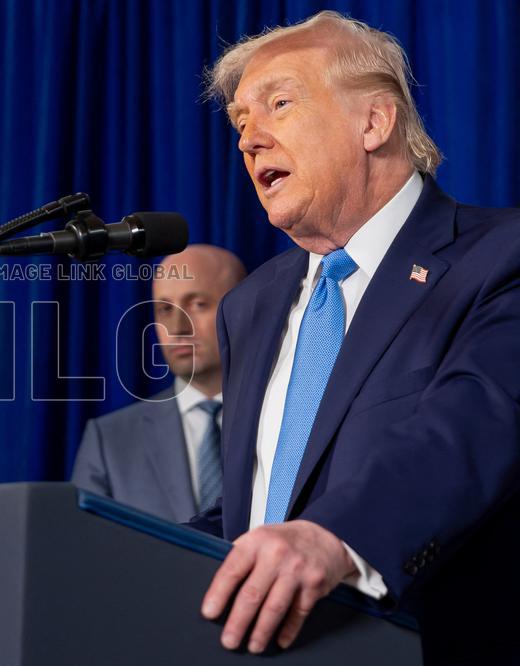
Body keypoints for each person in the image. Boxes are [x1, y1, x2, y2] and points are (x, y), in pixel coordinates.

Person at [193, 10, 520, 661]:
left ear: (374, 122)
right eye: (239, 122)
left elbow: (473, 425)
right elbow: (258, 510)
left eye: (278, 104)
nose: (249, 140)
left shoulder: (499, 256)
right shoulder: (250, 305)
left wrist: (333, 537)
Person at [71, 244, 246, 522]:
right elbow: (84, 544)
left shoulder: (287, 418)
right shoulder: (110, 441)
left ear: (244, 309)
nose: (177, 328)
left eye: (198, 304)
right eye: (165, 310)